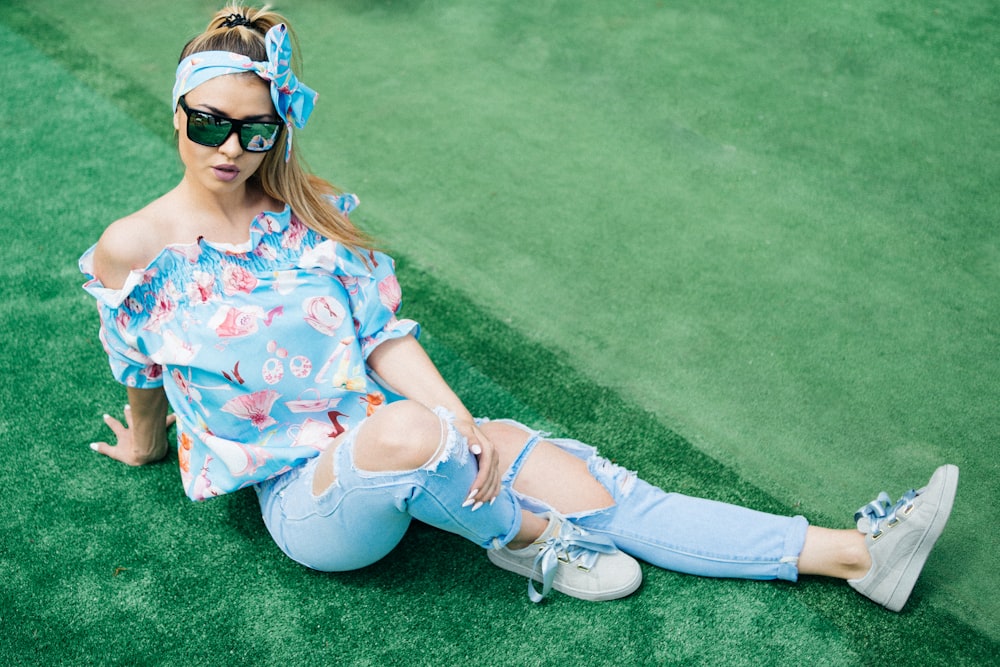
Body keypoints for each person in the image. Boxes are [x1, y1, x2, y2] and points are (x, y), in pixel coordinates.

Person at [80, 4, 958, 609]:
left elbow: (381, 334)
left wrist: (460, 418)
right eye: (210, 125)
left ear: (279, 130)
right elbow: (141, 364)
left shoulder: (307, 213)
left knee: (597, 488)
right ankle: (533, 539)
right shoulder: (136, 245)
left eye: (256, 130)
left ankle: (852, 554)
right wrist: (147, 440)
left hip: (392, 434)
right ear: (178, 115)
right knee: (411, 436)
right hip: (303, 499)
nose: (232, 148)